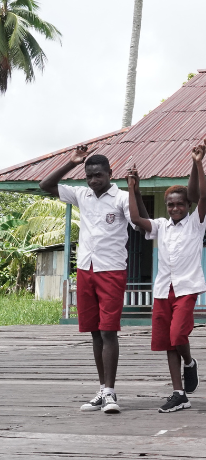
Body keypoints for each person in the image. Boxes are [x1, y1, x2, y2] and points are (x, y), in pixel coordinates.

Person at [40, 146, 134, 414]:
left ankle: (111, 392)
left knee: (108, 331)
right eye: (89, 176)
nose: (94, 180)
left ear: (109, 174)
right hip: (85, 269)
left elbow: (139, 222)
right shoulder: (81, 195)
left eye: (98, 175)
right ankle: (102, 389)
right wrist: (71, 162)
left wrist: (135, 190)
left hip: (112, 270)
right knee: (94, 331)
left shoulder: (122, 198)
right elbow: (45, 184)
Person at [125, 141, 206, 413]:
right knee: (167, 342)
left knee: (177, 335)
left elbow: (204, 197)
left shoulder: (196, 223)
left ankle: (189, 363)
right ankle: (178, 393)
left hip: (186, 287)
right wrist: (132, 188)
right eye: (171, 205)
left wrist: (197, 163)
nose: (175, 208)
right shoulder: (161, 226)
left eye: (180, 204)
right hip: (163, 290)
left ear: (187, 205)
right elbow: (137, 219)